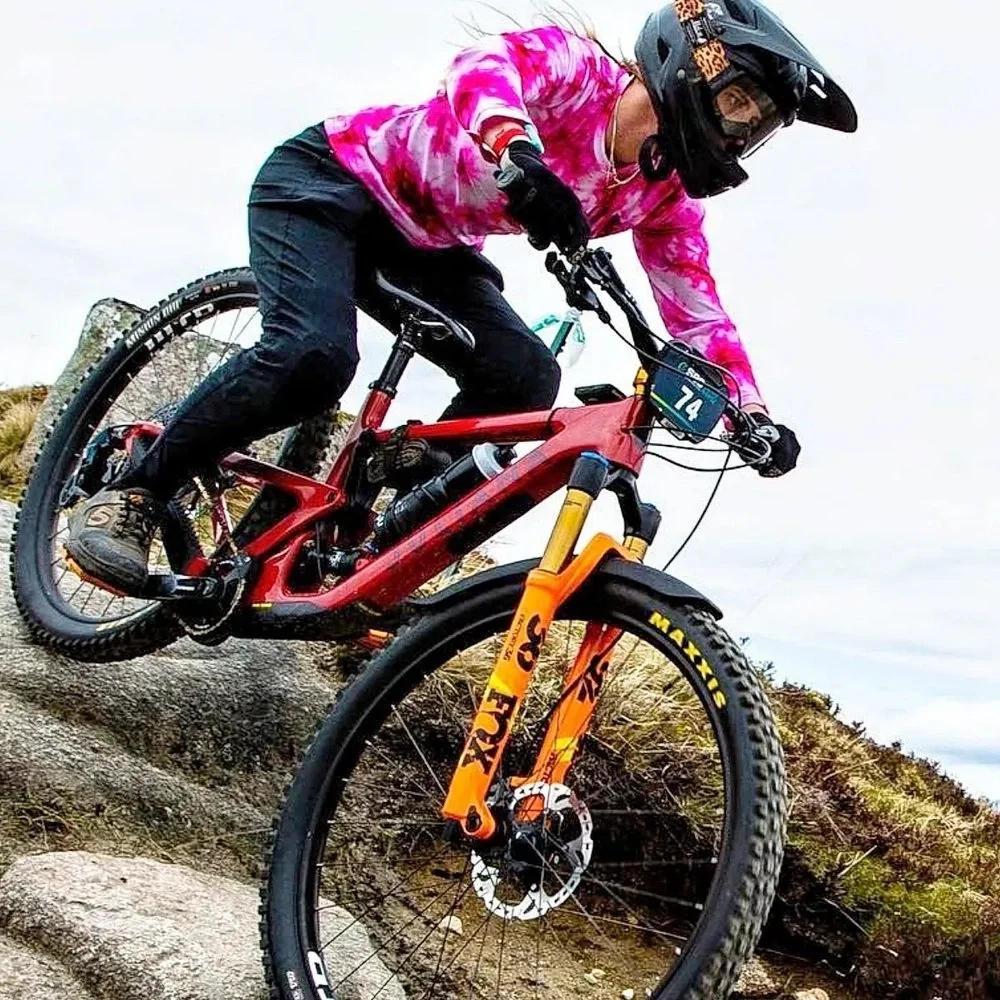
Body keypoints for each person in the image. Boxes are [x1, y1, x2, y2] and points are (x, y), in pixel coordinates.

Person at [66, 0, 856, 594]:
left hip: (431, 243)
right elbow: (480, 69)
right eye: (743, 105)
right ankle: (136, 486)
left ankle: (368, 534)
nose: (743, 130)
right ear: (691, 64)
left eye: (758, 126)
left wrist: (750, 416)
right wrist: (518, 148)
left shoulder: (665, 196)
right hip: (329, 184)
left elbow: (698, 313)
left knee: (524, 380)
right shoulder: (580, 72)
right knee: (314, 354)